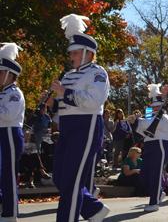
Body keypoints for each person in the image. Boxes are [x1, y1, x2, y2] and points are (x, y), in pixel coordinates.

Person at [50, 14, 110, 221]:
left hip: (87, 125)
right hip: (67, 127)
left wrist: (64, 94)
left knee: (72, 180)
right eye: (71, 52)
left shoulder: (97, 73)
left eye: (75, 52)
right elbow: (63, 105)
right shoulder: (67, 75)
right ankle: (93, 209)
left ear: (88, 53)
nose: (71, 56)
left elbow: (94, 100)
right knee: (59, 177)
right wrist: (53, 104)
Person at [133, 84, 168, 212]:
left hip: (159, 146)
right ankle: (159, 193)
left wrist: (138, 120)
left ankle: (154, 202)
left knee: (155, 174)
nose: (153, 108)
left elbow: (146, 125)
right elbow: (141, 129)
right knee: (144, 173)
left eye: (156, 106)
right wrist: (136, 120)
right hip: (149, 145)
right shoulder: (150, 115)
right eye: (152, 106)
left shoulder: (164, 117)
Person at [0, 43, 25, 220]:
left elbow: (8, 115)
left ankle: (11, 213)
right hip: (3, 133)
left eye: (1, 72)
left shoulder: (15, 93)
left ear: (10, 74)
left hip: (10, 133)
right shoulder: (3, 93)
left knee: (9, 175)